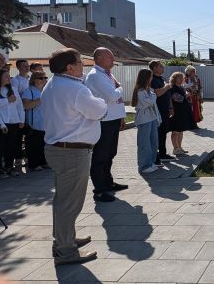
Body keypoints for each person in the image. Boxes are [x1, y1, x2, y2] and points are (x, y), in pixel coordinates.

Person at [42, 48, 107, 265]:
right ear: (69, 67)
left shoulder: (53, 84)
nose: (83, 66)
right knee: (69, 203)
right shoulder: (74, 89)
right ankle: (65, 250)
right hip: (72, 152)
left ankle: (64, 239)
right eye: (80, 62)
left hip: (60, 149)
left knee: (63, 200)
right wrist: (103, 104)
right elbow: (98, 110)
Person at [84, 48, 127, 203]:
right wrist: (120, 87)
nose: (113, 58)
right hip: (103, 121)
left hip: (113, 119)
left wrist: (121, 116)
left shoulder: (106, 74)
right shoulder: (95, 75)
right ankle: (100, 190)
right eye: (110, 56)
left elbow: (116, 100)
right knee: (100, 156)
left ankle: (108, 183)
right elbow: (113, 95)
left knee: (110, 153)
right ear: (100, 57)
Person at [0, 70, 25, 178]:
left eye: (9, 76)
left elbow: (19, 106)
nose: (9, 78)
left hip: (13, 122)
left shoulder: (13, 89)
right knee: (0, 147)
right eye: (6, 76)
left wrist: (21, 120)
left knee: (11, 146)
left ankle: (9, 167)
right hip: (1, 123)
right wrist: (7, 100)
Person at [132, 69, 162, 173]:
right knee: (144, 143)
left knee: (154, 142)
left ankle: (151, 162)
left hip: (152, 118)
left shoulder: (149, 90)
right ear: (146, 78)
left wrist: (158, 118)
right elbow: (148, 103)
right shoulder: (140, 91)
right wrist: (153, 96)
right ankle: (144, 166)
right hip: (144, 120)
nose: (152, 79)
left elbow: (153, 103)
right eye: (150, 77)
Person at [22, 71, 49, 171]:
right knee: (34, 145)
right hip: (34, 123)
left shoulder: (46, 90)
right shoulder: (29, 91)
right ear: (34, 80)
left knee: (43, 144)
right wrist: (40, 99)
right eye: (41, 78)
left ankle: (43, 162)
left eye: (45, 77)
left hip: (45, 122)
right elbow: (26, 105)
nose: (44, 80)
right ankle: (34, 164)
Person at [149, 60, 173, 165]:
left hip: (165, 109)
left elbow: (168, 93)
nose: (163, 68)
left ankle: (163, 153)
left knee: (163, 132)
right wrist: (167, 86)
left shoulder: (162, 79)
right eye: (161, 66)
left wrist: (171, 107)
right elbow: (158, 93)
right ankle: (156, 155)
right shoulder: (152, 79)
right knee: (158, 133)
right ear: (155, 68)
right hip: (157, 111)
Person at [169, 72, 197, 154]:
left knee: (181, 131)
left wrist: (188, 95)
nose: (181, 79)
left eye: (182, 78)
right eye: (179, 78)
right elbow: (177, 98)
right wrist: (186, 96)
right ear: (174, 79)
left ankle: (180, 148)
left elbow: (185, 98)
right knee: (175, 131)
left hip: (182, 111)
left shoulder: (181, 87)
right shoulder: (172, 88)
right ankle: (175, 148)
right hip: (176, 111)